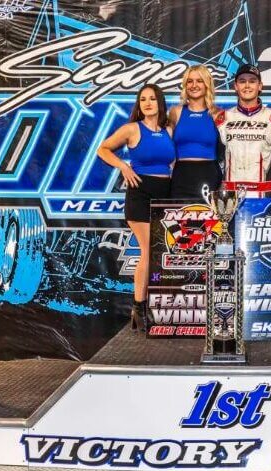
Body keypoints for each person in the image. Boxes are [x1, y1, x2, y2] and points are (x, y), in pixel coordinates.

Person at [96, 84, 174, 331]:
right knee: (148, 250)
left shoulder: (169, 130)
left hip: (165, 195)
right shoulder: (132, 129)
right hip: (140, 193)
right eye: (143, 99)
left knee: (160, 253)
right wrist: (123, 166)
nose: (148, 103)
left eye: (152, 99)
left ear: (160, 102)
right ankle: (139, 307)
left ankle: (153, 304)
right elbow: (102, 149)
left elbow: (173, 161)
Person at [215, 64, 271, 197]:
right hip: (230, 196)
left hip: (264, 195)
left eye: (252, 81)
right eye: (242, 81)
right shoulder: (222, 118)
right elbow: (217, 157)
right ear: (236, 86)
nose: (247, 85)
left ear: (260, 86)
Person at [168, 65, 222, 199]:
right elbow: (165, 145)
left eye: (199, 81)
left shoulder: (217, 113)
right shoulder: (175, 112)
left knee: (209, 214)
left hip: (209, 175)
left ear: (207, 84)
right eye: (190, 81)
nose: (194, 85)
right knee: (180, 213)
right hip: (181, 176)